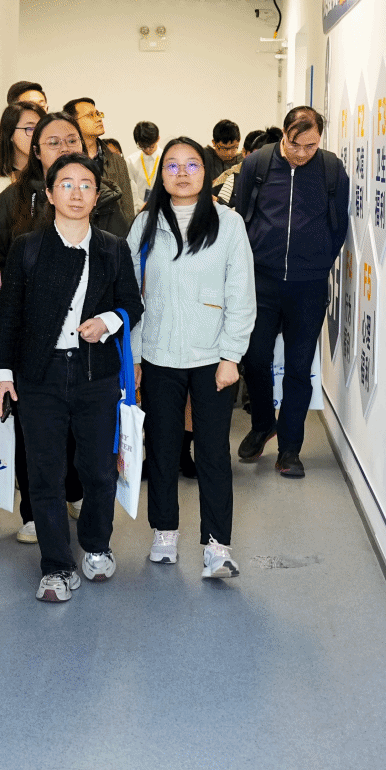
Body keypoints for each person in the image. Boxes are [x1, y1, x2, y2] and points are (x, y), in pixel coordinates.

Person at [0, 153, 143, 602]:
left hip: (96, 375)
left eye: (86, 185)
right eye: (66, 184)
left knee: (98, 470)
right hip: (40, 376)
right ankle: (55, 565)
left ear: (97, 194)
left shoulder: (113, 247)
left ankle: (96, 545)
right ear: (50, 194)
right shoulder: (28, 247)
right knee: (45, 474)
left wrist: (108, 320)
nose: (76, 193)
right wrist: (2, 374)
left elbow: (133, 304)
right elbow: (8, 314)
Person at [129, 137, 254, 579]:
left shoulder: (229, 223)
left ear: (206, 171)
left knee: (213, 452)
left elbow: (241, 293)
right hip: (158, 355)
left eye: (192, 165)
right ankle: (164, 531)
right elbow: (131, 295)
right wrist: (135, 355)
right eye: (172, 166)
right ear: (161, 174)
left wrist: (231, 355)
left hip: (212, 357)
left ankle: (218, 545)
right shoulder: (145, 223)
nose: (182, 173)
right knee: (162, 448)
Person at [0, 111, 90, 542]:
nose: (64, 147)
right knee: (32, 428)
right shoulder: (13, 201)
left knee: (80, 427)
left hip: (87, 339)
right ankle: (33, 511)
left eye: (72, 140)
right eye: (53, 142)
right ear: (35, 150)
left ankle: (74, 491)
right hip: (31, 343)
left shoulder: (102, 194)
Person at [230, 106, 348, 478]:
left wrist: (316, 262)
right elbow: (240, 216)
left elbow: (338, 225)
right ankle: (263, 423)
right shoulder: (257, 164)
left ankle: (290, 449)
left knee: (298, 368)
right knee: (254, 359)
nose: (301, 153)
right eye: (295, 144)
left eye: (310, 146)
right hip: (260, 282)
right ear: (284, 134)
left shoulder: (331, 169)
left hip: (308, 286)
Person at [63, 96, 137, 233]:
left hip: (113, 234)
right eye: (90, 115)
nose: (98, 119)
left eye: (98, 114)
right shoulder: (66, 160)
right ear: (73, 123)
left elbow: (127, 207)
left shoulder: (116, 160)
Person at [129, 120, 162, 207]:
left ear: (158, 139)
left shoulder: (166, 159)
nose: (147, 150)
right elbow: (131, 190)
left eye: (151, 146)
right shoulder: (131, 161)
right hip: (139, 209)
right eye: (143, 147)